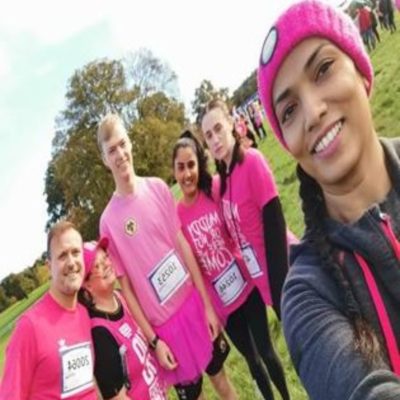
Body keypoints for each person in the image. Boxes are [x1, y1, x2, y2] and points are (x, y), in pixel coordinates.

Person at [257, 0, 400, 399]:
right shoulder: (305, 294)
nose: (313, 112)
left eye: (323, 70)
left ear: (361, 71)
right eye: (289, 110)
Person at [96, 114, 222, 400]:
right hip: (166, 330)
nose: (120, 154)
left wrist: (207, 305)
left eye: (122, 144)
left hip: (194, 306)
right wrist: (154, 341)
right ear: (105, 160)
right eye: (111, 150)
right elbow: (125, 290)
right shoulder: (107, 222)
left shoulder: (157, 187)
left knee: (223, 383)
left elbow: (182, 245)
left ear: (131, 143)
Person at [173, 130, 290, 400]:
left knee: (266, 350)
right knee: (252, 359)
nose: (187, 173)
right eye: (181, 167)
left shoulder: (214, 188)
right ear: (174, 171)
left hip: (247, 285)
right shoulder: (176, 216)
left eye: (191, 165)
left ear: (198, 165)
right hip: (223, 305)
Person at [201, 98, 289, 320]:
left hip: (287, 275)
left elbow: (275, 227)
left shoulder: (252, 161)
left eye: (218, 128)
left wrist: (281, 287)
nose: (215, 139)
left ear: (231, 123)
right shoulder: (224, 181)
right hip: (265, 283)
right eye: (208, 135)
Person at [0, 221, 97, 399]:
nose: (71, 262)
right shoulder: (29, 327)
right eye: (62, 256)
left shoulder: (84, 314)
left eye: (76, 252)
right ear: (49, 266)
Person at [78, 239, 167, 400]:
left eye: (105, 257)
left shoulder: (121, 297)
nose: (105, 265)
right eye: (96, 266)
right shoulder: (99, 333)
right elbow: (116, 397)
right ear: (87, 286)